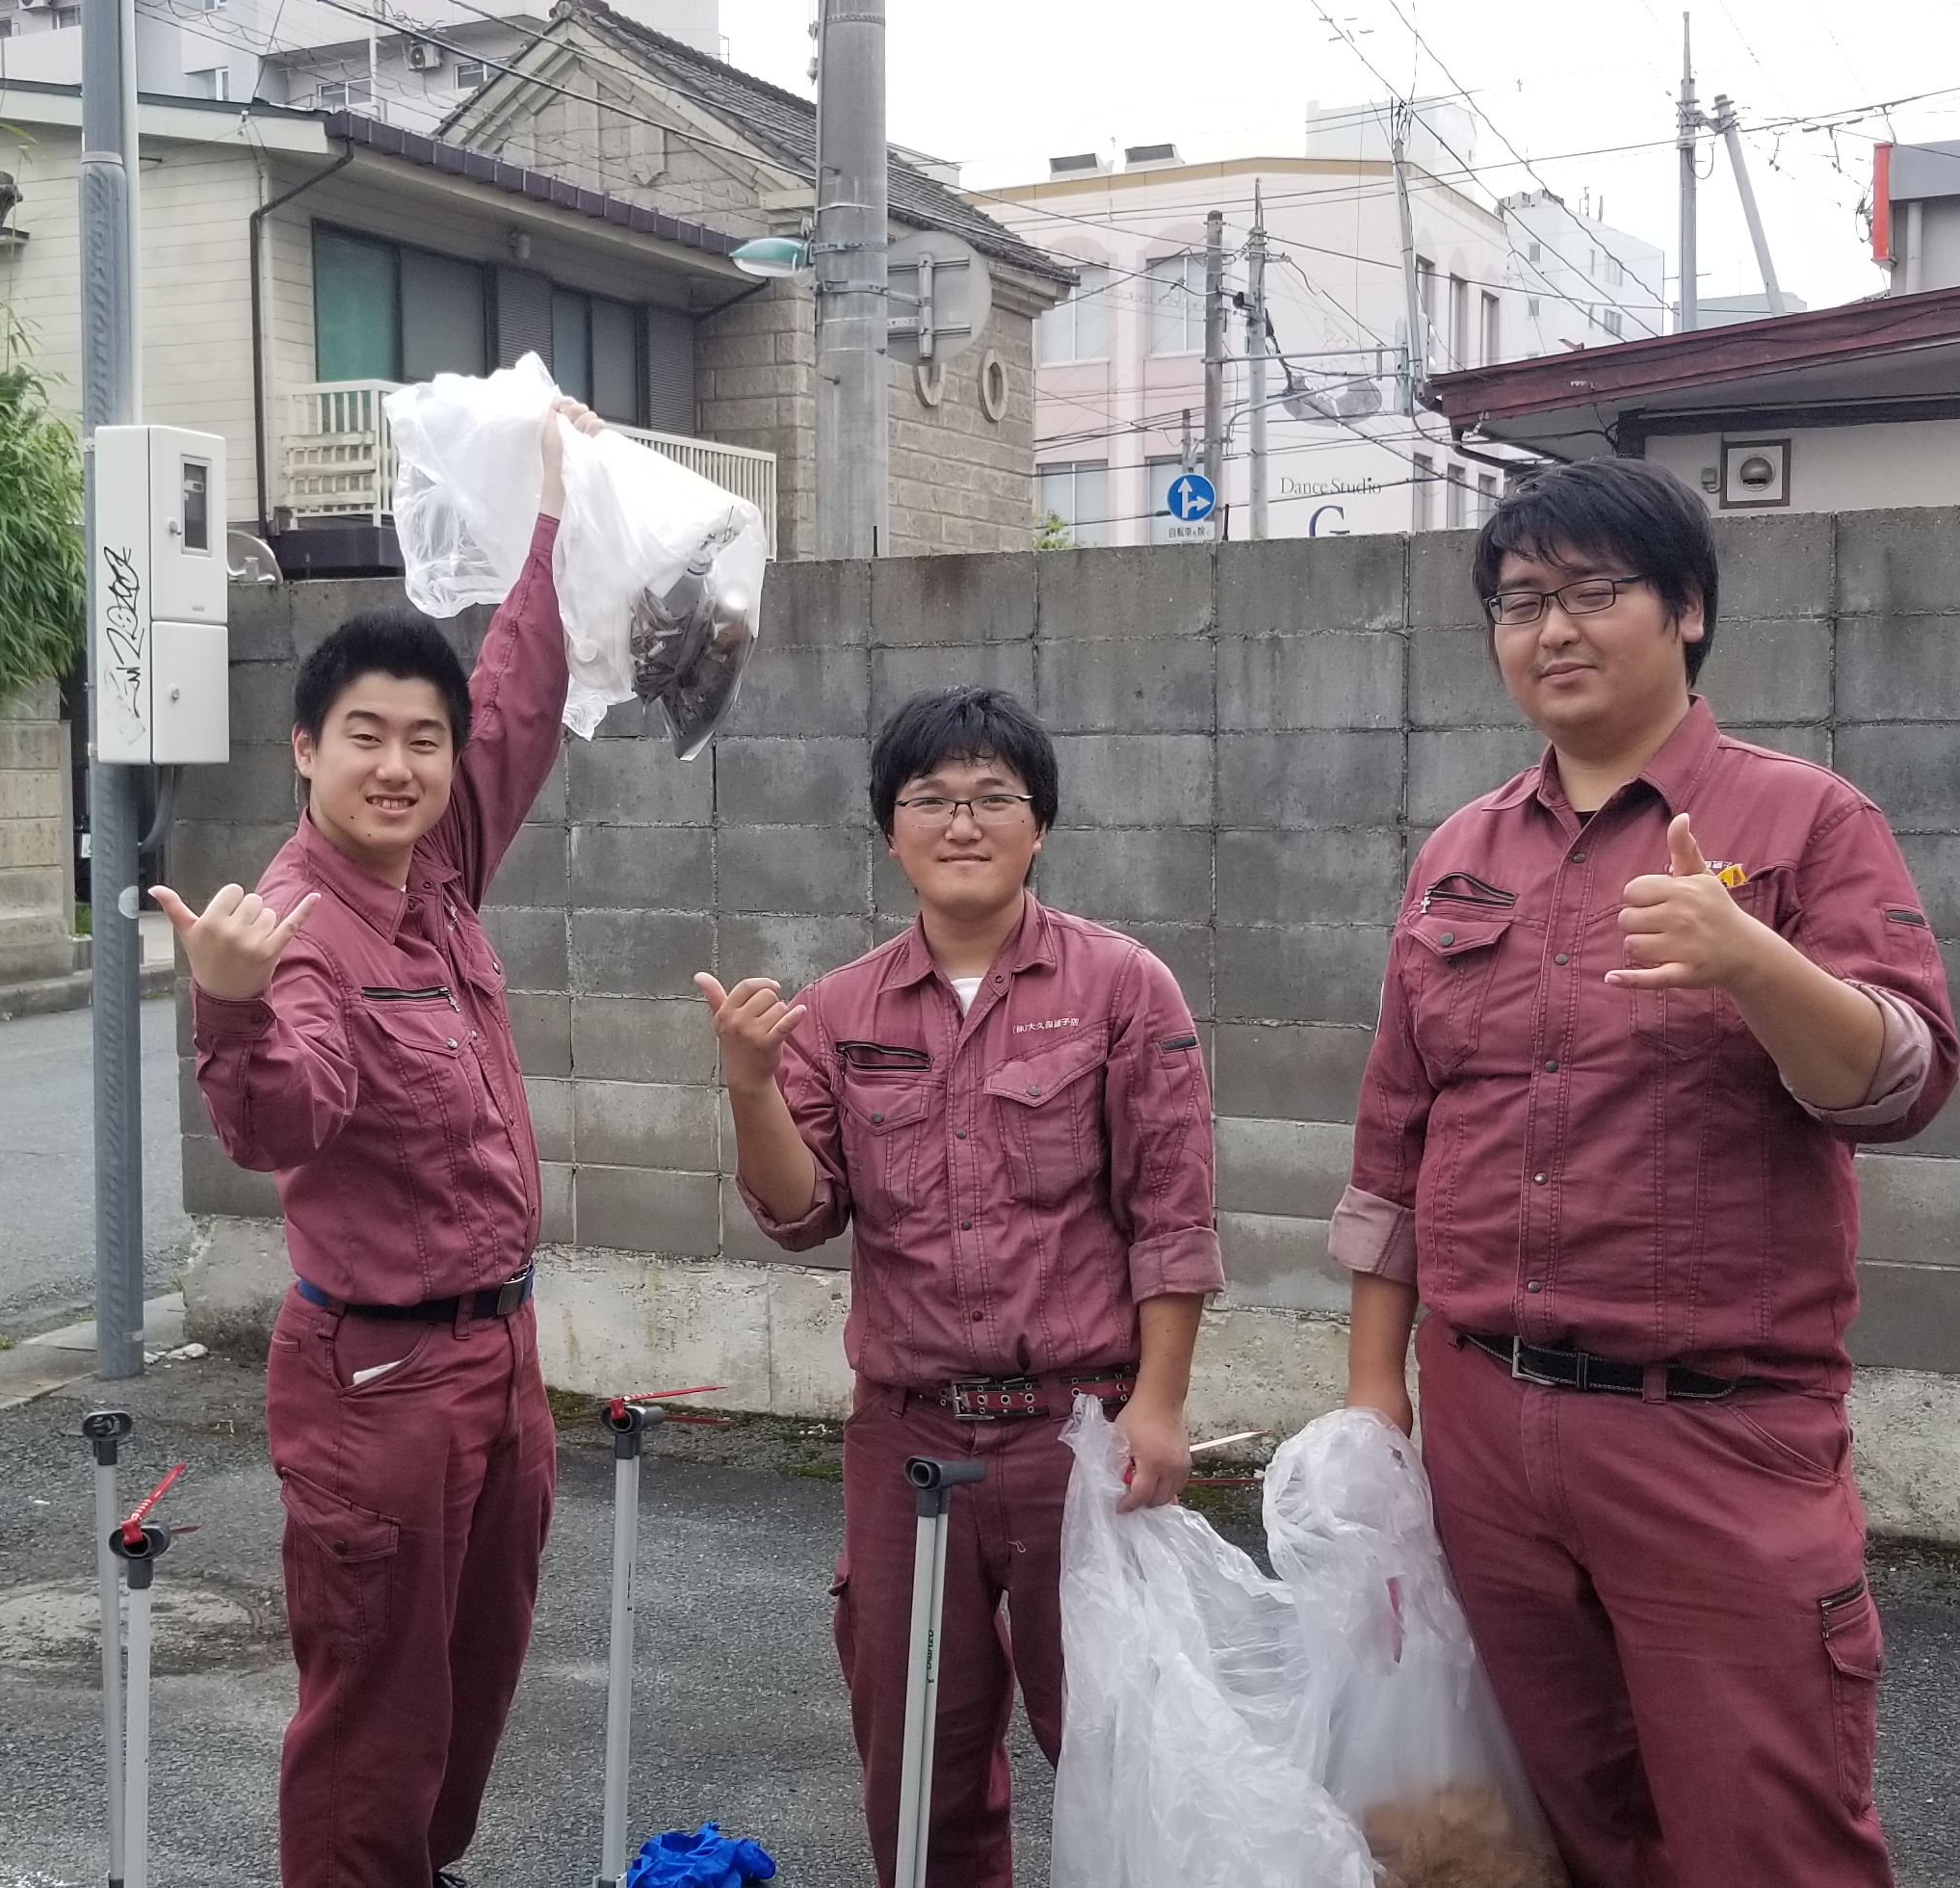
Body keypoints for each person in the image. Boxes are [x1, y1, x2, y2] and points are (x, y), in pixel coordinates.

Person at [1335, 457, 1958, 1886]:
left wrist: (1755, 963)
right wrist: (1379, 1396)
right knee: (1559, 1832)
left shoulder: (1805, 825)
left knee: (1765, 1839)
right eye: (1519, 603)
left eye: (1593, 593)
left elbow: (1904, 1079)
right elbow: (1396, 1143)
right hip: (1488, 1424)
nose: (1552, 630)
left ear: (1686, 609)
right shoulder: (1459, 852)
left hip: (1713, 1436)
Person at [157, 399, 599, 1888]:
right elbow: (289, 1113)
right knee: (376, 1722)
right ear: (305, 750)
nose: (400, 766)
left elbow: (524, 698)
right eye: (367, 739)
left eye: (424, 739)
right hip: (379, 1380)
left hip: (500, 1359)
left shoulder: (440, 866)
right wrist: (227, 1008)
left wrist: (551, 516)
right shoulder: (297, 927)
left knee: (473, 1689)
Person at [700, 685, 1221, 1888]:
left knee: (1109, 1745)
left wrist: (1160, 1400)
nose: (964, 821)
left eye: (996, 797)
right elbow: (802, 1210)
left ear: (1042, 825)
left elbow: (1172, 1212)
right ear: (891, 831)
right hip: (908, 1437)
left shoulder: (1124, 988)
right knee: (914, 1756)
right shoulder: (837, 1009)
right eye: (931, 798)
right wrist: (749, 1086)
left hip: (1074, 1427)